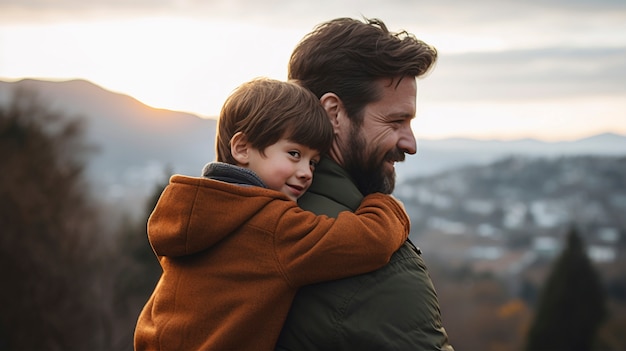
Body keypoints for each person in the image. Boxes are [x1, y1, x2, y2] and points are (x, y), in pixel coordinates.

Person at [134, 78, 411, 350]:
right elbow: (370, 241)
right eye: (294, 153)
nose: (305, 172)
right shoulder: (273, 227)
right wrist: (385, 205)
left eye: (313, 162)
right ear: (242, 148)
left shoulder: (192, 210)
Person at [275, 18, 454, 350]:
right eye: (396, 121)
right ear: (334, 113)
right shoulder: (382, 271)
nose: (410, 144)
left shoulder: (242, 216)